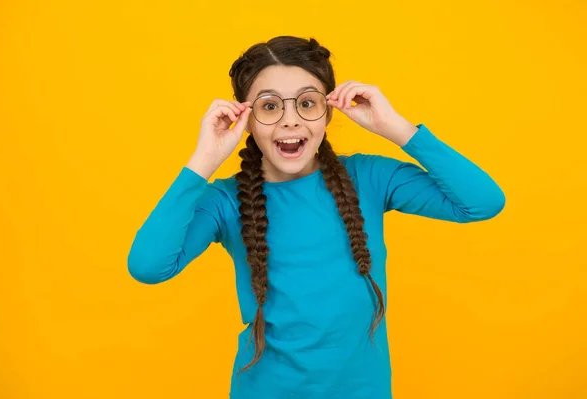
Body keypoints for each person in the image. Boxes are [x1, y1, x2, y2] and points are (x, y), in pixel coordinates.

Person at [127, 35, 505, 399]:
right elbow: (148, 266)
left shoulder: (370, 178)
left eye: (306, 104)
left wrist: (395, 128)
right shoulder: (225, 200)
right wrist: (203, 163)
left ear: (328, 110)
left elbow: (482, 202)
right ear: (245, 117)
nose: (290, 120)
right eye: (270, 106)